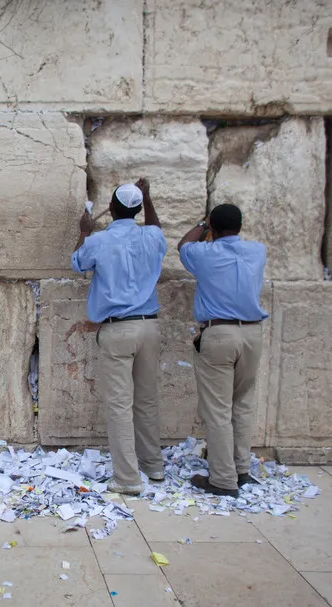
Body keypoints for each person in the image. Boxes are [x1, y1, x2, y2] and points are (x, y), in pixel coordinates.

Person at [71, 179, 167, 495]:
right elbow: (156, 228)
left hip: (117, 328)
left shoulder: (98, 241)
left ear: (110, 209)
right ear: (139, 209)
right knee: (147, 400)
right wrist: (148, 198)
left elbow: (77, 263)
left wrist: (84, 230)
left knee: (119, 404)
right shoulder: (151, 236)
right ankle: (153, 467)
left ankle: (127, 478)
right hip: (148, 326)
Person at [177, 203, 269, 498]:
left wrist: (202, 225)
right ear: (240, 227)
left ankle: (222, 479)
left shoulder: (205, 254)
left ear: (213, 230)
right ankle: (241, 470)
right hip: (252, 333)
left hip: (219, 333)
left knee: (217, 411)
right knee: (241, 405)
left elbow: (183, 245)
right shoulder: (257, 251)